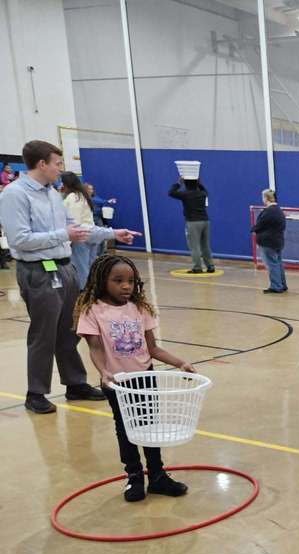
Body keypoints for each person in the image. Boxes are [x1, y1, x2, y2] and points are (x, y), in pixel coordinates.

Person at [0, 139, 140, 414]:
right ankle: (36, 392)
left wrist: (112, 233)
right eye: (57, 163)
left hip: (64, 268)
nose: (61, 169)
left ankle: (75, 384)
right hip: (38, 270)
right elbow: (19, 239)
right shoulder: (15, 194)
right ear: (42, 164)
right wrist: (63, 236)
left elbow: (75, 228)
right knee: (43, 334)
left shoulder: (52, 194)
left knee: (72, 329)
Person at [75, 254, 193, 502]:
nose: (126, 286)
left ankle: (158, 477)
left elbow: (153, 349)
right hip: (117, 383)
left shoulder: (140, 308)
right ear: (101, 281)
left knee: (150, 427)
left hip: (145, 378)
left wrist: (180, 362)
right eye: (118, 280)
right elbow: (95, 348)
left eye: (131, 280)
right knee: (126, 429)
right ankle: (134, 478)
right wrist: (103, 372)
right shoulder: (92, 311)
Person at [61, 171, 98, 289]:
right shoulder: (82, 195)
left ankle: (84, 296)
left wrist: (68, 241)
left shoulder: (74, 197)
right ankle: (91, 294)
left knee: (81, 270)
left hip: (81, 238)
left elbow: (74, 221)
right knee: (90, 268)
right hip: (90, 235)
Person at [169, 176, 214, 273]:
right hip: (205, 221)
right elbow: (205, 190)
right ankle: (210, 266)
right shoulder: (202, 193)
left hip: (193, 222)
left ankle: (197, 267)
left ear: (185, 184)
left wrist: (178, 183)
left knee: (194, 246)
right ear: (196, 183)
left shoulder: (186, 194)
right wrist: (199, 183)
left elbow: (171, 192)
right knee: (205, 245)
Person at [250, 189, 287, 294]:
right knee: (278, 263)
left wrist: (253, 230)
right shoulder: (279, 211)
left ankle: (276, 286)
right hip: (278, 241)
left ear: (266, 198)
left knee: (272, 264)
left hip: (268, 242)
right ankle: (282, 284)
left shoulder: (268, 212)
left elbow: (260, 225)